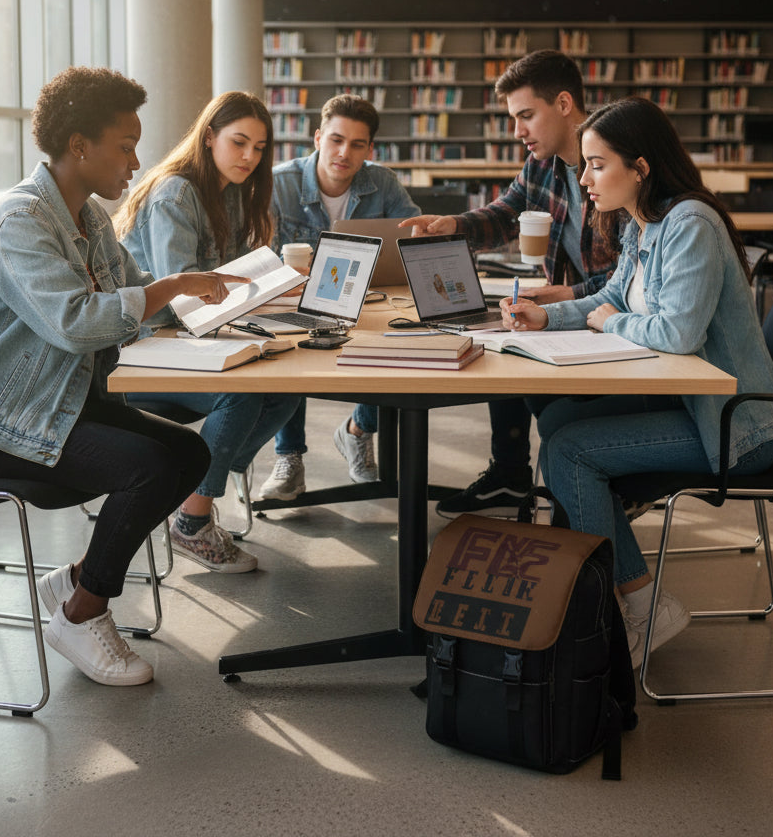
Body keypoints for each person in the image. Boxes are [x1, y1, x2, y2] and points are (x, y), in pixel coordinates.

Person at [0, 67, 247, 686]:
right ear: (79, 145)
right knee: (148, 467)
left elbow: (137, 299)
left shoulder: (91, 218)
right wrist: (174, 287)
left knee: (189, 452)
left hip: (56, 401)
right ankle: (82, 613)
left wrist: (218, 305)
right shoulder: (20, 220)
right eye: (125, 146)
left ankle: (78, 581)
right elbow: (75, 323)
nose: (135, 162)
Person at [501, 96, 773, 665]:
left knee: (572, 452)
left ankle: (634, 607)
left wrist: (610, 321)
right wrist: (546, 317)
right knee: (558, 419)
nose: (584, 179)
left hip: (735, 426)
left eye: (596, 164)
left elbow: (676, 332)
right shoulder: (644, 222)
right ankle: (595, 593)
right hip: (691, 404)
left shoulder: (689, 224)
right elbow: (610, 298)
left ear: (640, 167)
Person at [399, 50, 619, 517]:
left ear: (564, 104)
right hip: (570, 313)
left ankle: (593, 483)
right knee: (503, 337)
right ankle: (511, 476)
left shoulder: (614, 165)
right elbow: (506, 213)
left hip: (613, 322)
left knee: (516, 346)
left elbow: (638, 276)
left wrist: (570, 294)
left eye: (526, 116)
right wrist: (453, 225)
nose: (517, 131)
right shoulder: (542, 164)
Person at [113, 91, 302, 570]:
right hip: (142, 346)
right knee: (239, 395)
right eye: (239, 142)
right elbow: (181, 295)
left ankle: (199, 481)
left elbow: (229, 281)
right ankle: (191, 522)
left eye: (259, 148)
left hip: (187, 338)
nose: (249, 157)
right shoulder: (176, 194)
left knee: (288, 384)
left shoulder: (231, 193)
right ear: (209, 136)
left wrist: (273, 290)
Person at [258, 94, 421, 500]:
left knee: (400, 347)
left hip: (368, 302)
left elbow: (413, 240)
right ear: (318, 138)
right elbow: (259, 257)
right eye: (336, 140)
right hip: (295, 301)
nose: (344, 153)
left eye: (357, 144)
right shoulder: (280, 184)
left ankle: (357, 430)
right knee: (289, 353)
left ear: (370, 149)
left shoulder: (383, 183)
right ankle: (289, 457)